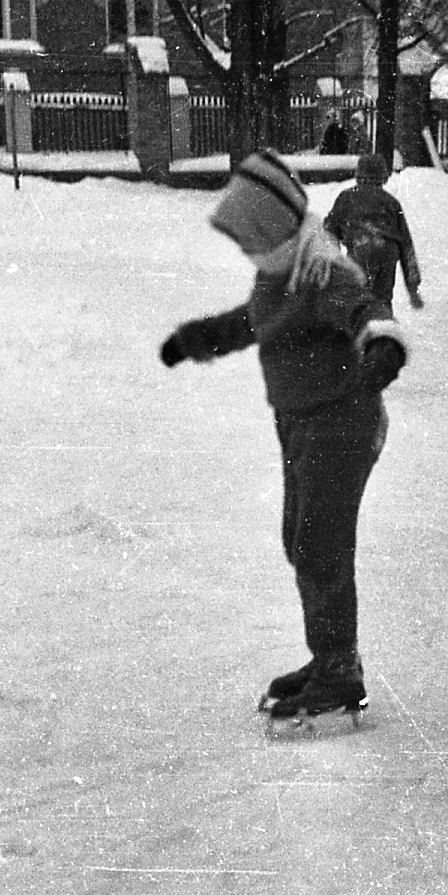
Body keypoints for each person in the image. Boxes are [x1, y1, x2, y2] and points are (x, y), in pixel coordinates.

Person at [159, 150, 412, 721]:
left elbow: (365, 308)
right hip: (300, 424)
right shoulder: (278, 277)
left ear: (280, 230)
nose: (250, 252)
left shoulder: (321, 272)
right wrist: (194, 340)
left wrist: (383, 345)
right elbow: (245, 324)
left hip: (343, 421)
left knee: (320, 540)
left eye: (255, 240)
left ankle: (340, 671)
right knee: (299, 539)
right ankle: (328, 658)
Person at [324, 153, 424, 312]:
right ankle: (383, 326)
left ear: (358, 174)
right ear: (384, 176)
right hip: (387, 251)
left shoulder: (346, 198)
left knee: (357, 298)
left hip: (360, 248)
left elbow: (329, 230)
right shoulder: (391, 202)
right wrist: (413, 288)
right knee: (382, 300)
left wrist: (331, 263)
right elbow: (406, 244)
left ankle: (360, 328)